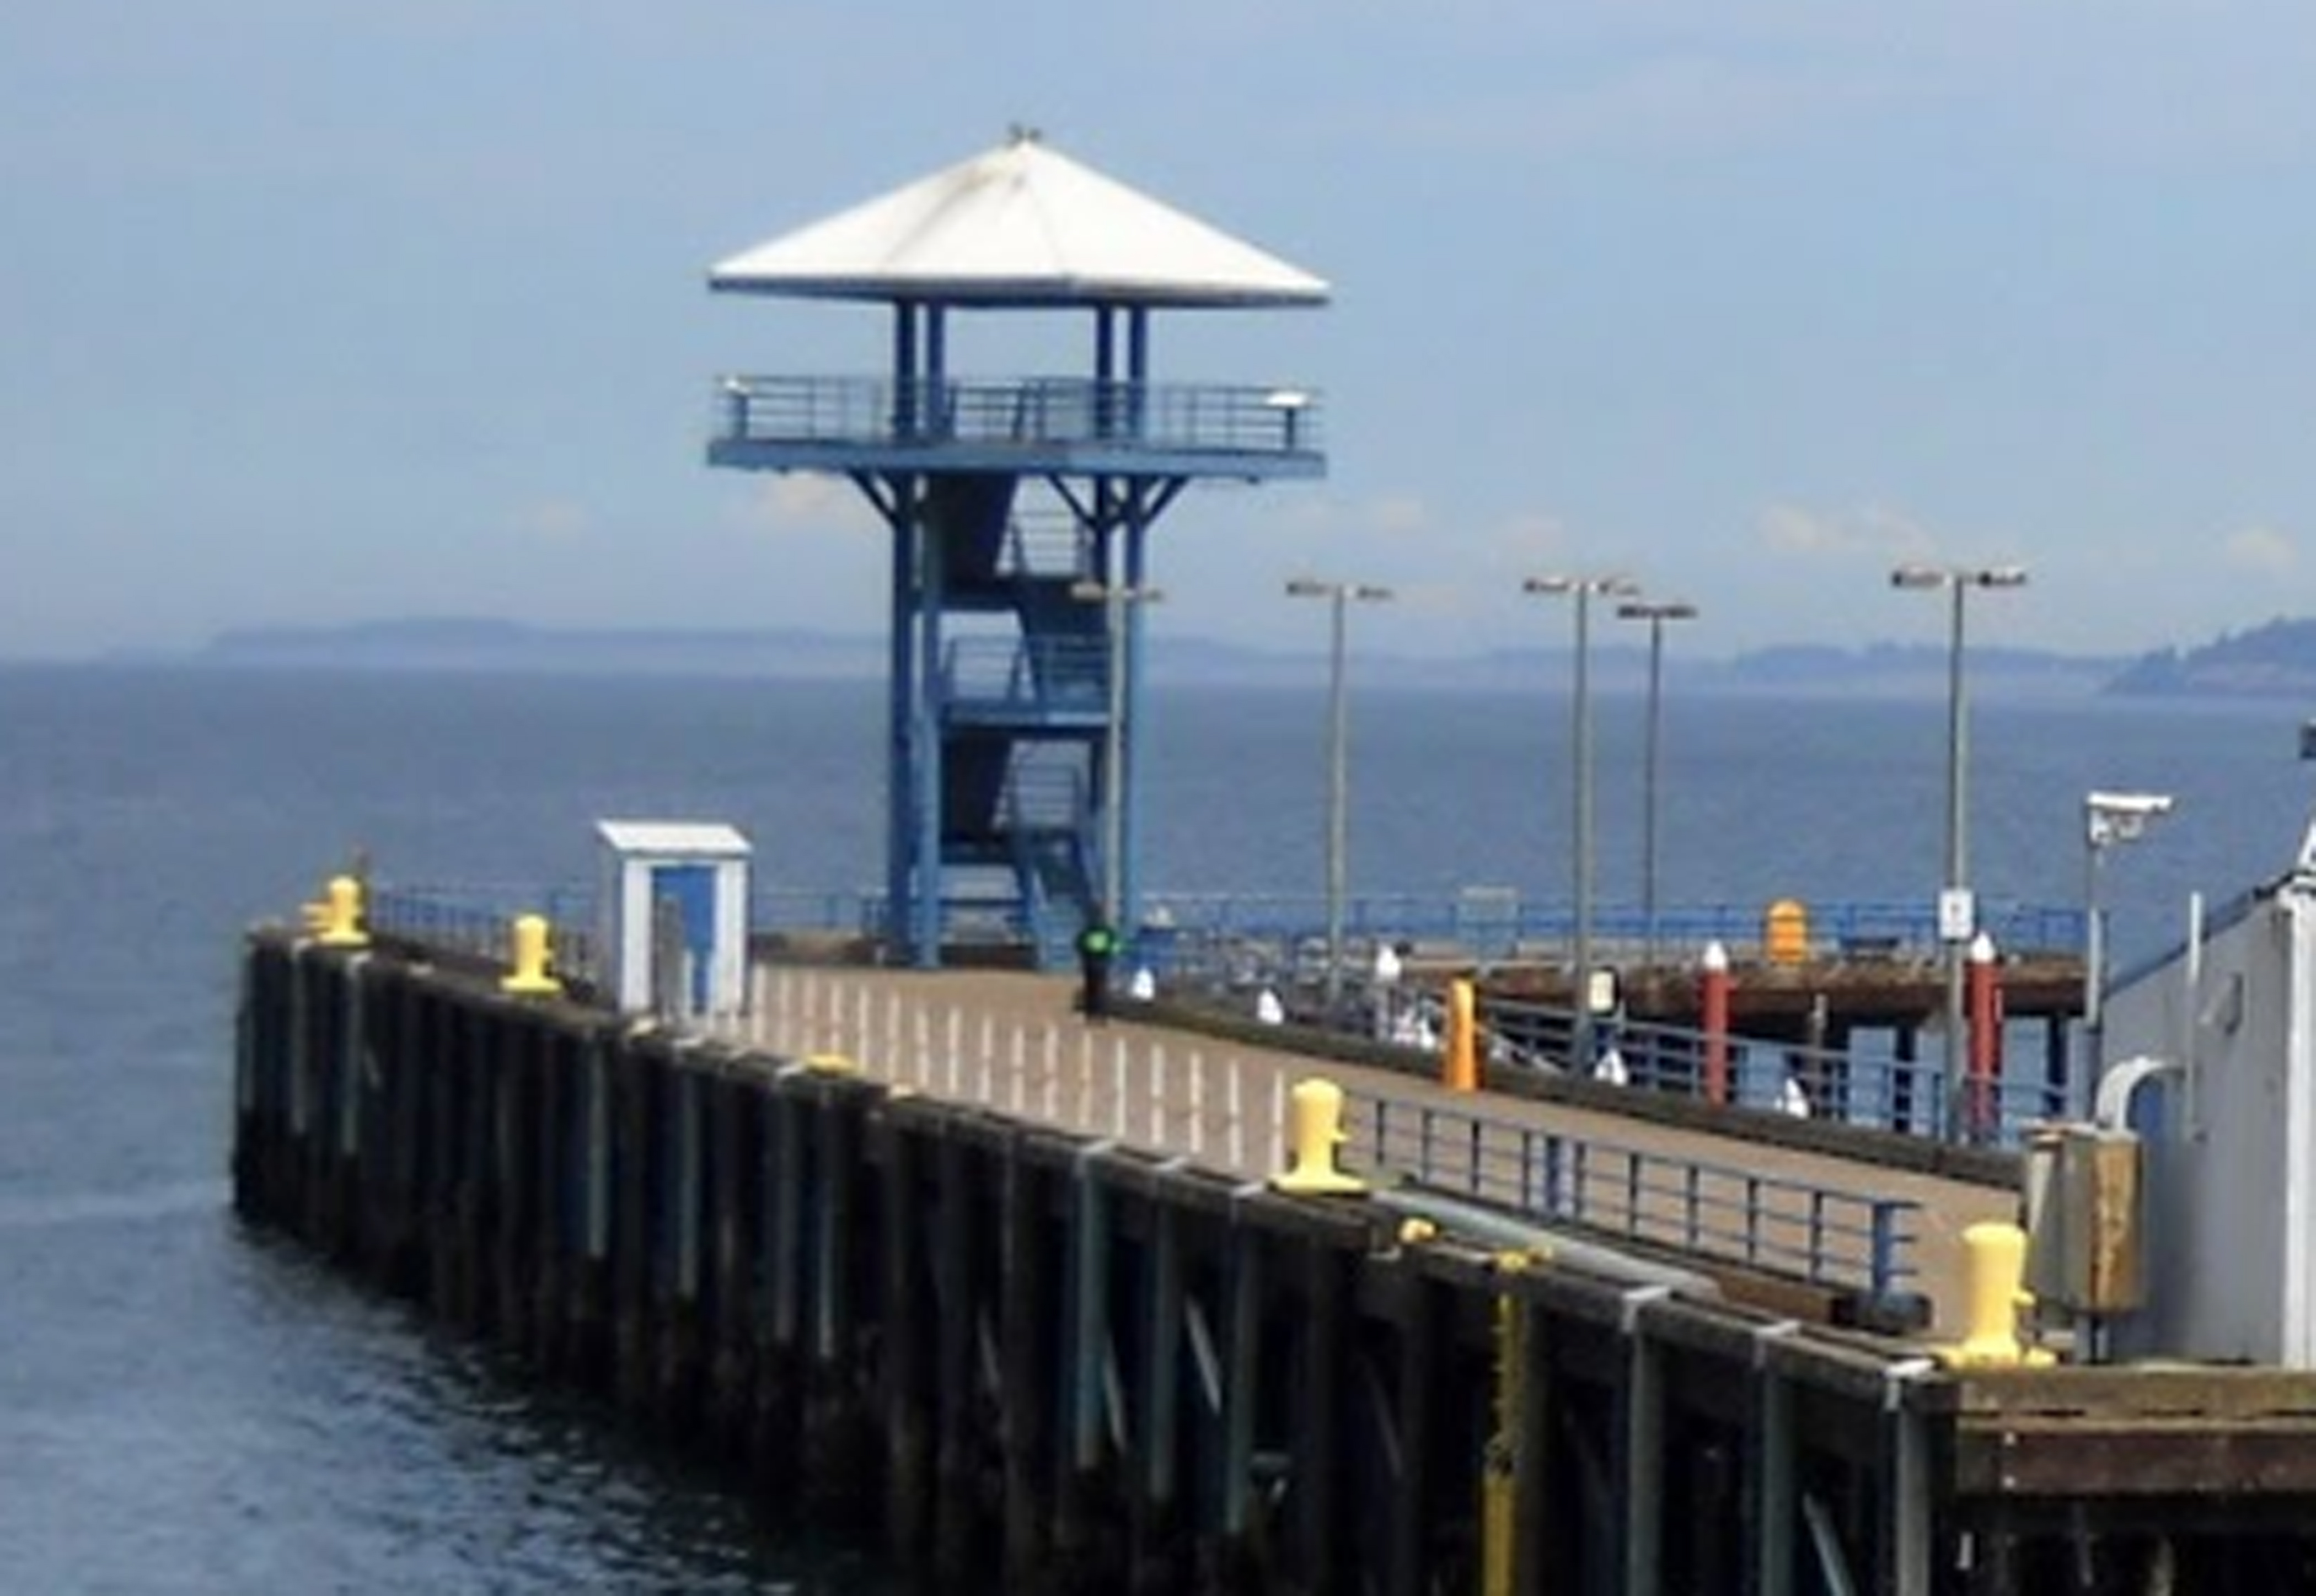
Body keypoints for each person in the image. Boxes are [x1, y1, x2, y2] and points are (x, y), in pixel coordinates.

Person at [1076, 920, 1119, 1021]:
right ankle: (1102, 1015)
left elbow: (1079, 945)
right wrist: (1110, 957)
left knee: (1090, 988)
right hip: (1102, 963)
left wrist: (1084, 957)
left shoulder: (1088, 932)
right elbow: (1116, 947)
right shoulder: (1108, 933)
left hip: (1090, 962)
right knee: (1101, 989)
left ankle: (1090, 1014)